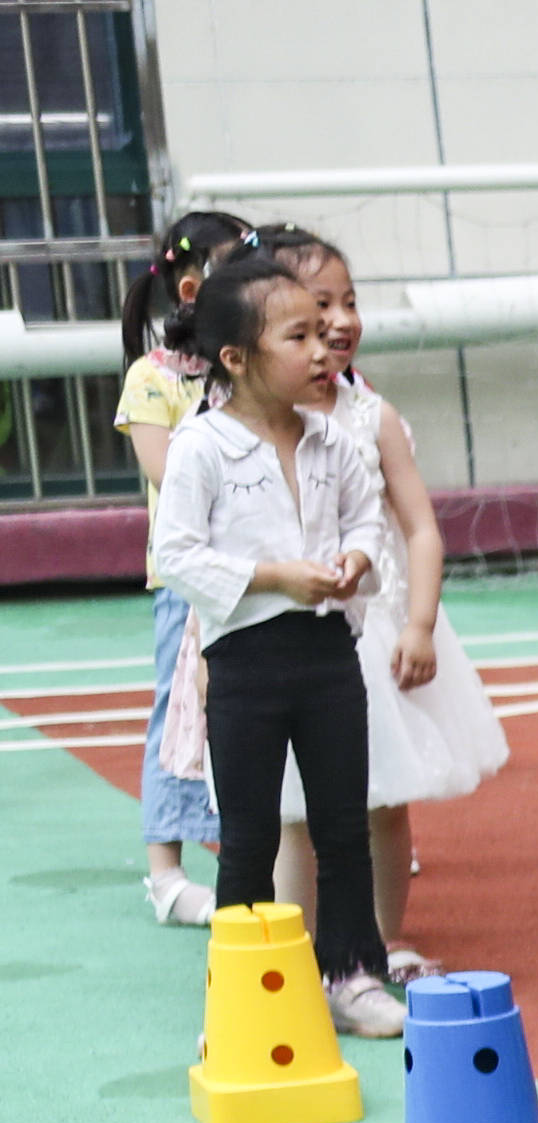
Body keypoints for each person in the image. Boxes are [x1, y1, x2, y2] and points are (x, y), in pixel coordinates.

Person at [147, 252, 401, 1036]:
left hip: (328, 655)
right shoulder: (202, 447)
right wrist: (273, 577)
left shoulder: (332, 441)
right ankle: (241, 1000)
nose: (323, 350)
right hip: (246, 664)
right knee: (249, 838)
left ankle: (353, 975)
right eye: (300, 336)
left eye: (325, 334)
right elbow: (178, 553)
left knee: (341, 828)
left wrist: (356, 558)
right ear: (238, 359)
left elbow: (365, 519)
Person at [249, 229, 506, 980]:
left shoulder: (371, 416)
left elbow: (420, 527)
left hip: (377, 634)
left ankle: (385, 941)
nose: (338, 319)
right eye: (314, 306)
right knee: (296, 814)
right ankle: (298, 955)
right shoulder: (243, 429)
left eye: (348, 301)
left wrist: (420, 622)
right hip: (287, 643)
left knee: (384, 802)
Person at [114, 208, 246, 927]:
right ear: (193, 291)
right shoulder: (152, 378)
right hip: (187, 580)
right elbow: (168, 470)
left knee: (245, 710)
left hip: (252, 574)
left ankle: (254, 846)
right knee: (179, 710)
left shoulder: (244, 366)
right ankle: (166, 871)